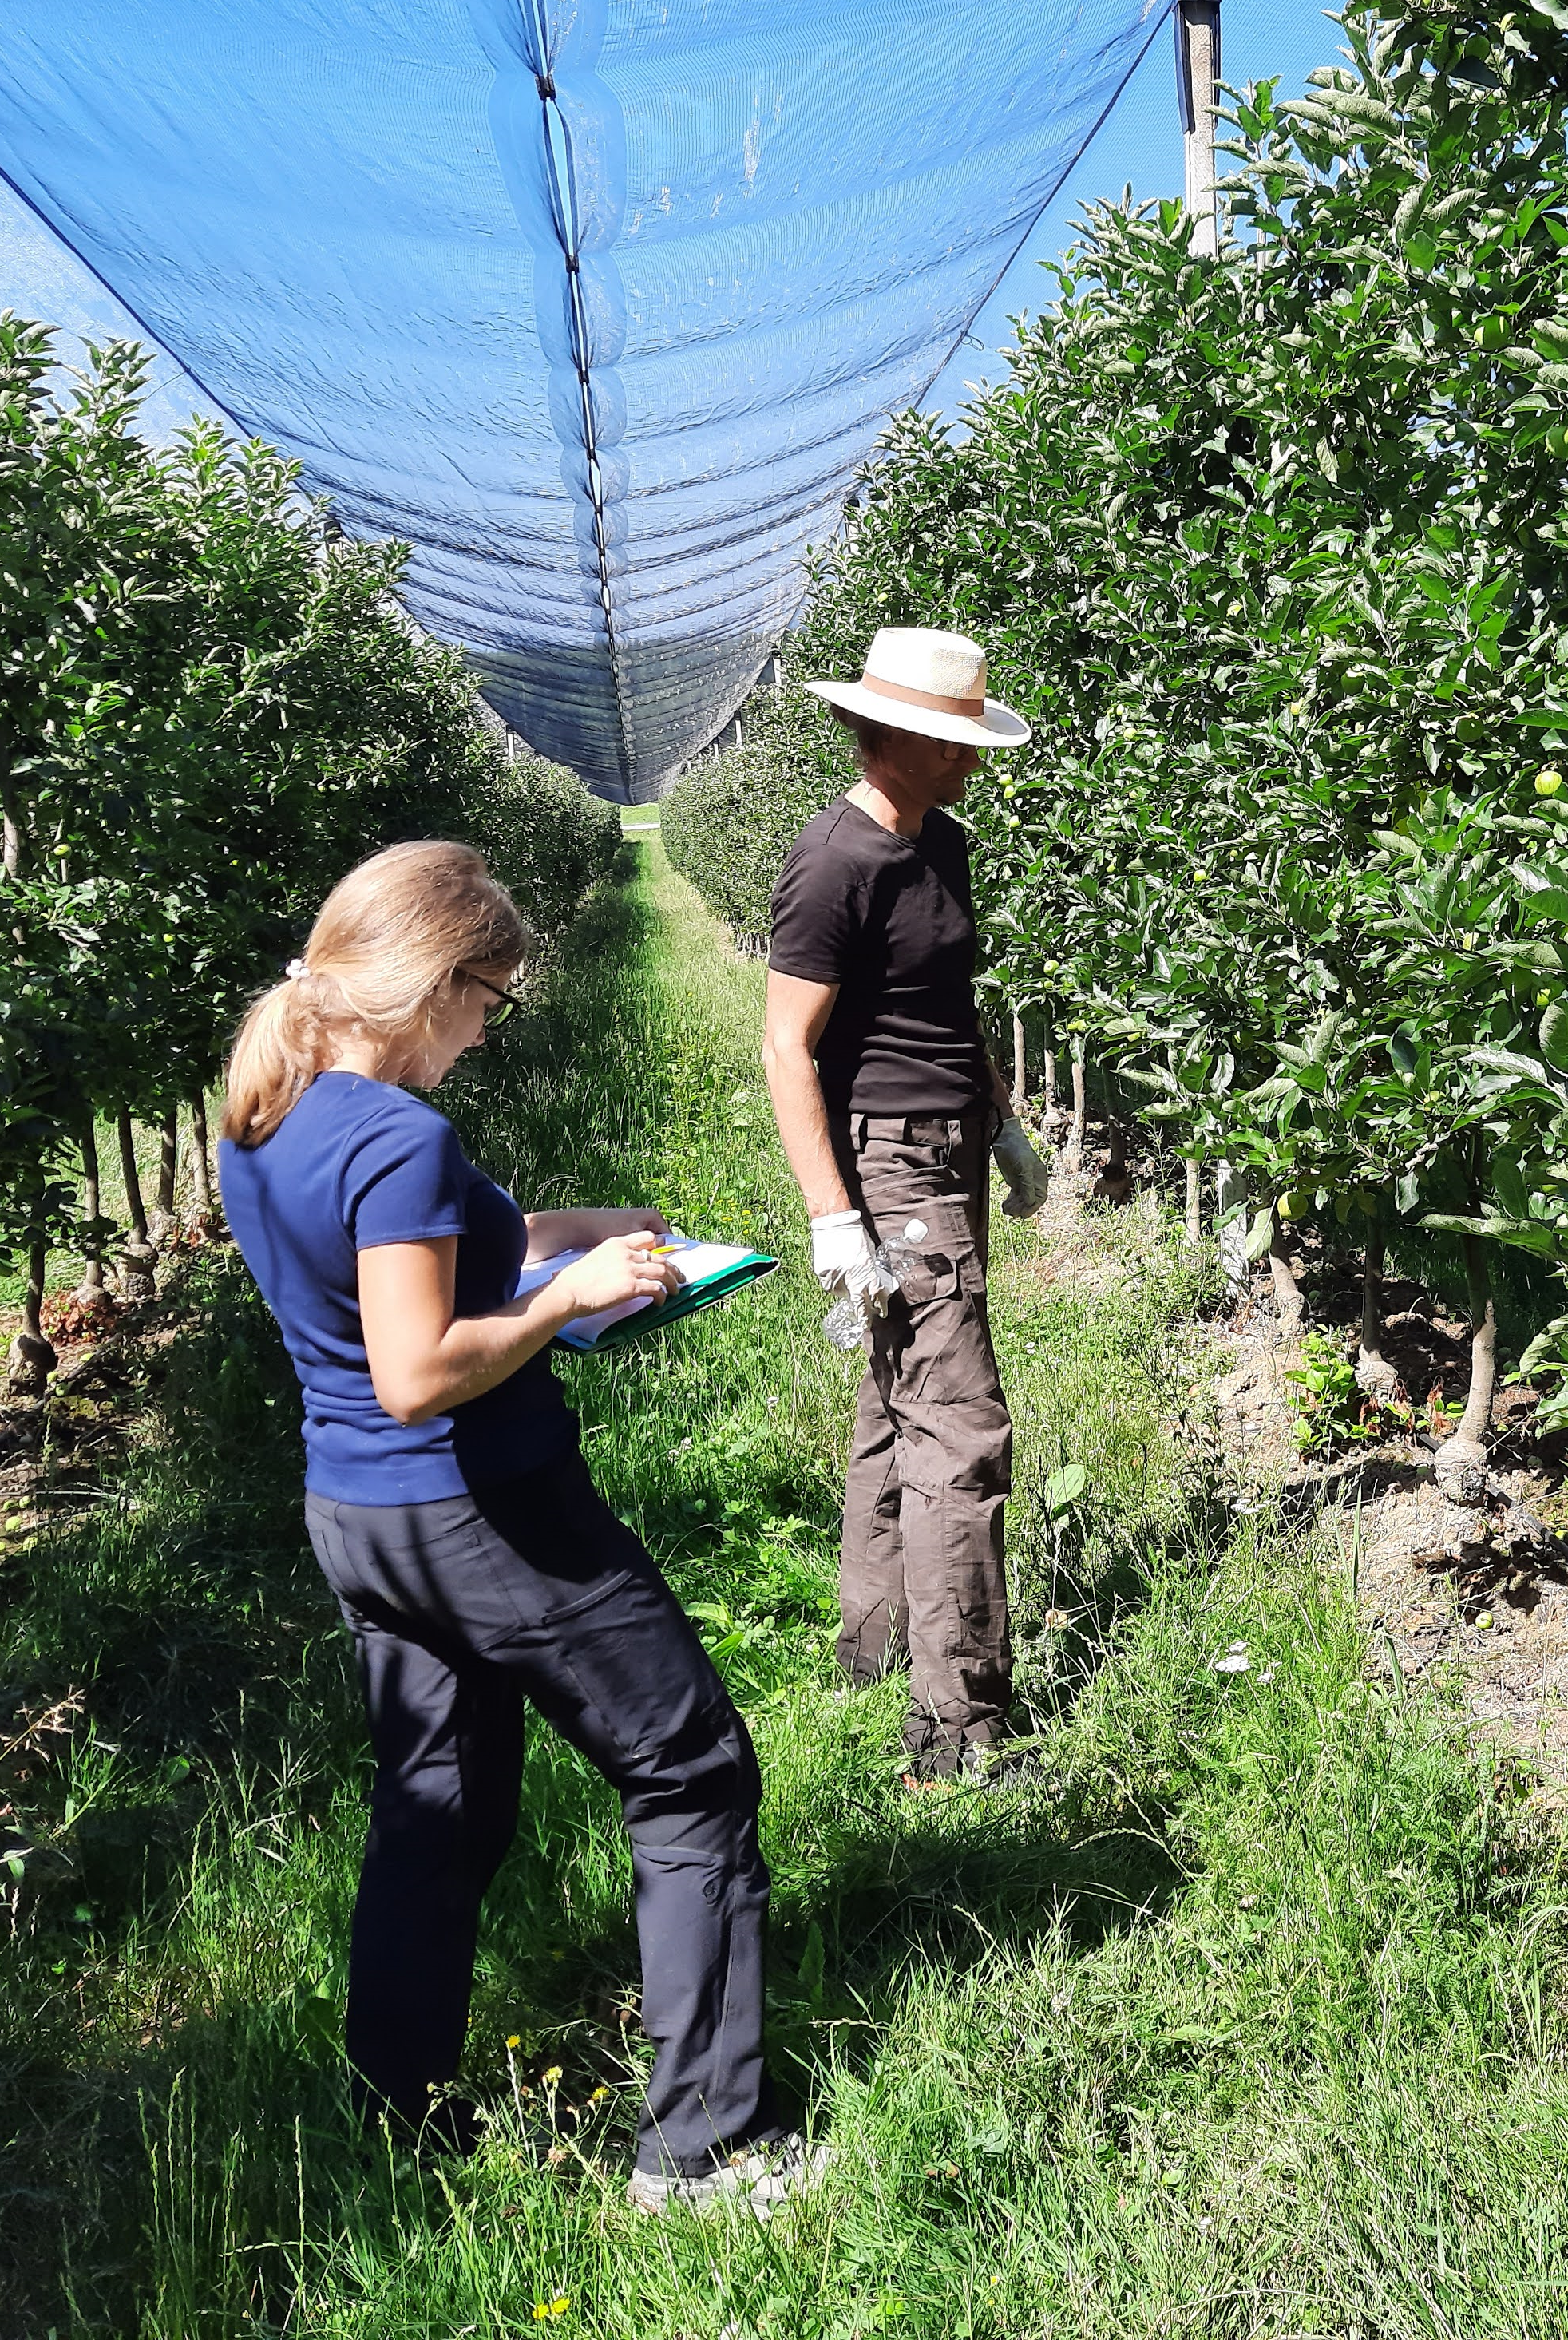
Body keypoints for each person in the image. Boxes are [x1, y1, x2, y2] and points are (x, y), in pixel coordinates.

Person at [217, 839, 808, 2212]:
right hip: (486, 1514)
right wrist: (556, 1301)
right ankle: (704, 2152)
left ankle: (395, 2108)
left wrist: (576, 1237)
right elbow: (417, 1368)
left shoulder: (272, 1107)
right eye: (491, 996)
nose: (490, 1024)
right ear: (432, 982)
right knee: (691, 1772)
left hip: (359, 1518)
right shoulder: (403, 1134)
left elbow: (394, 1264)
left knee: (442, 1809)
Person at [759, 627, 1050, 1787]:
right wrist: (835, 1216)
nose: (970, 760)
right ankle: (959, 1731)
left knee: (900, 1405)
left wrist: (1004, 1116)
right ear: (895, 741)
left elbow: (946, 1002)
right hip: (892, 1162)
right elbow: (788, 1049)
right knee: (961, 1427)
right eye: (953, 744)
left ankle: (872, 1653)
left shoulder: (944, 845)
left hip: (950, 1146)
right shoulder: (831, 864)